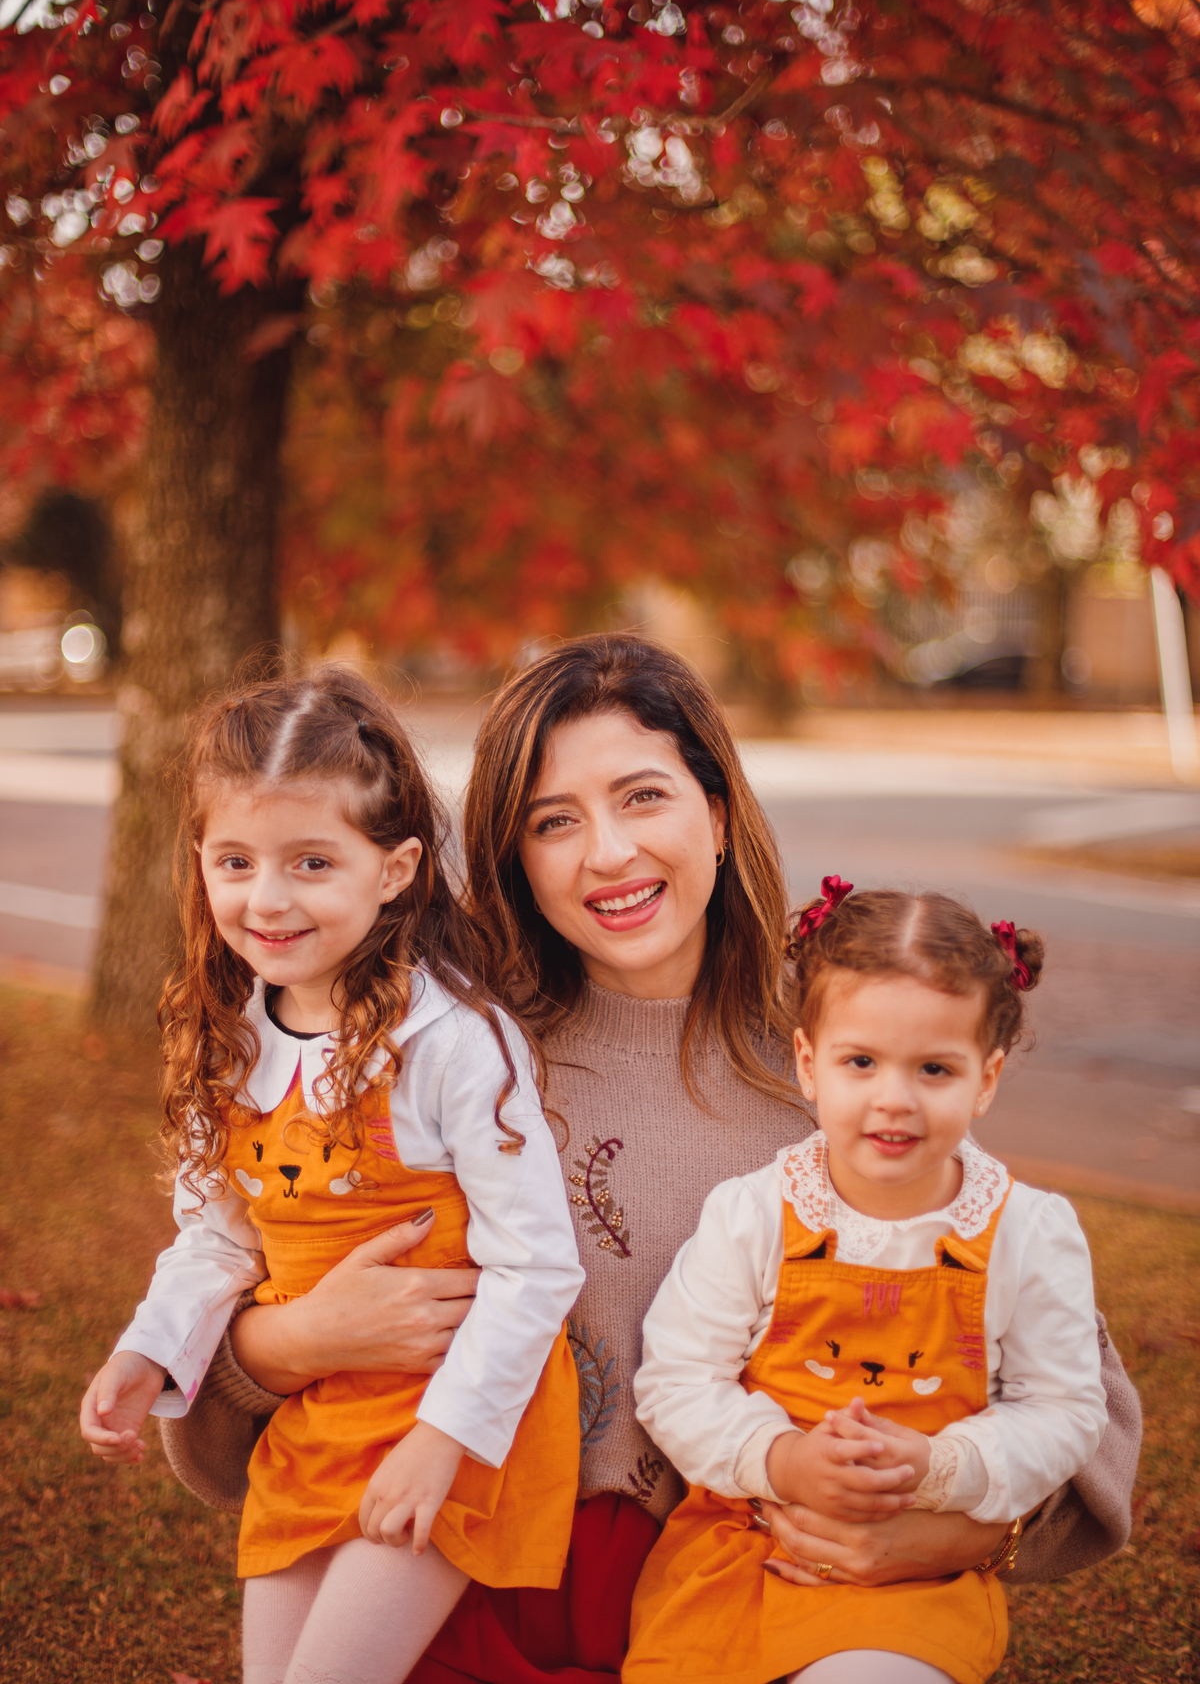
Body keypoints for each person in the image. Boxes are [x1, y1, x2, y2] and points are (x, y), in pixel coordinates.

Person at [154, 636, 1140, 1683]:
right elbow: (215, 1392)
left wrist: (975, 1532)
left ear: (716, 810)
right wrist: (286, 1346)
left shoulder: (839, 1064)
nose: (608, 855)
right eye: (554, 822)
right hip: (458, 1579)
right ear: (512, 854)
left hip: (747, 1591)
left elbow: (1080, 1399)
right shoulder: (437, 1057)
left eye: (642, 798)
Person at [78, 668, 584, 1684]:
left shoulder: (453, 1042)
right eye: (235, 860)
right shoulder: (225, 1041)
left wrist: (443, 1443)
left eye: (312, 861)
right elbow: (220, 1235)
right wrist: (150, 1350)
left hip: (457, 1420)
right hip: (315, 1424)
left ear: (394, 870)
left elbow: (538, 1267)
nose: (267, 899)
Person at [624, 883, 1108, 1684]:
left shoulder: (1029, 1232)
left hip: (915, 1568)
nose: (895, 1098)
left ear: (984, 1080)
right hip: (747, 1543)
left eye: (934, 1069)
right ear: (810, 1063)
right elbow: (677, 1378)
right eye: (861, 1061)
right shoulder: (754, 1214)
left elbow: (1063, 1409)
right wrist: (780, 1459)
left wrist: (941, 1466)